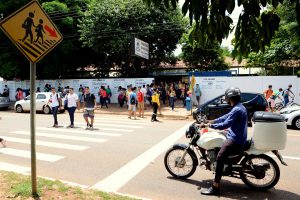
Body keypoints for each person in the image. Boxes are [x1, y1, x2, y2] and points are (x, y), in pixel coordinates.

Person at [200, 87, 247, 196]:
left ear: (230, 98)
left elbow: (226, 124)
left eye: (227, 98)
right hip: (236, 135)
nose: (226, 100)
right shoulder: (239, 107)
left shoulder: (237, 109)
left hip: (235, 139)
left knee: (220, 157)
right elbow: (226, 117)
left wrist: (210, 125)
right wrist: (212, 120)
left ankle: (215, 187)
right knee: (218, 139)